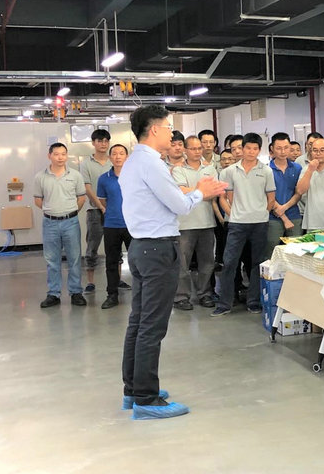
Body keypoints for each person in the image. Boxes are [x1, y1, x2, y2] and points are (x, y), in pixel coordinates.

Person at [119, 105, 226, 420]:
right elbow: (179, 204)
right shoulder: (151, 163)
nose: (171, 133)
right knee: (152, 326)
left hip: (142, 247)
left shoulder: (135, 161)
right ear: (154, 129)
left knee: (139, 322)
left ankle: (134, 389)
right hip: (157, 250)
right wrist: (201, 192)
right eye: (168, 127)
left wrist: (192, 191)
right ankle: (146, 399)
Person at [215, 133, 276, 316]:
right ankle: (224, 304)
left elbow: (271, 198)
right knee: (229, 262)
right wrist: (232, 214)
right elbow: (223, 197)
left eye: (255, 149)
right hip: (237, 224)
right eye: (248, 148)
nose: (251, 151)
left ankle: (254, 301)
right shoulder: (229, 171)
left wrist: (262, 212)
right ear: (242, 149)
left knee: (257, 262)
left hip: (260, 223)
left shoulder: (266, 171)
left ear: (259, 150)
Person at [35, 143, 88, 308]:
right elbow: (38, 200)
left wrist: (70, 212)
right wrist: (53, 211)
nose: (60, 157)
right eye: (56, 154)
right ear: (49, 156)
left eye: (63, 154)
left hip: (71, 222)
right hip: (49, 223)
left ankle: (76, 292)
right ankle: (53, 294)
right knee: (52, 260)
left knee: (74, 258)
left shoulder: (75, 175)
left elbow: (81, 198)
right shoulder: (40, 177)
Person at [171, 136, 219, 311]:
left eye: (199, 148)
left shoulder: (210, 168)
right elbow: (180, 192)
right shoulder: (178, 170)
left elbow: (214, 192)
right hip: (184, 224)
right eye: (193, 148)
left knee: (207, 263)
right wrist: (202, 192)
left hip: (206, 223)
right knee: (182, 264)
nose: (198, 151)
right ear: (185, 150)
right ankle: (181, 297)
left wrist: (194, 192)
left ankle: (205, 294)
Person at [96, 144, 132, 309]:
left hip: (132, 225)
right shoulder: (104, 179)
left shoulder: (134, 176)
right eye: (115, 154)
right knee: (111, 261)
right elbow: (102, 201)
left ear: (127, 157)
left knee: (137, 261)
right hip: (111, 225)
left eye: (121, 153)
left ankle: (141, 295)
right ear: (110, 157)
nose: (118, 157)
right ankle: (112, 295)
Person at [79, 128, 112, 294]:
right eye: (100, 141)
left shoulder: (114, 162)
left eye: (106, 141)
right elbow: (87, 187)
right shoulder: (86, 164)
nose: (103, 144)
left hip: (114, 211)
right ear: (93, 143)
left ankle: (117, 280)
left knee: (114, 246)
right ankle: (90, 282)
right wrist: (100, 206)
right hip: (94, 211)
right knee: (92, 246)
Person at [267, 132, 302, 256]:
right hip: (273, 217)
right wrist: (283, 216)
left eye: (286, 148)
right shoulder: (266, 170)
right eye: (279, 148)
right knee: (271, 251)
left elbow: (298, 193)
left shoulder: (297, 168)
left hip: (294, 214)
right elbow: (267, 196)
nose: (283, 151)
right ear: (272, 148)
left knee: (296, 252)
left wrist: (284, 208)